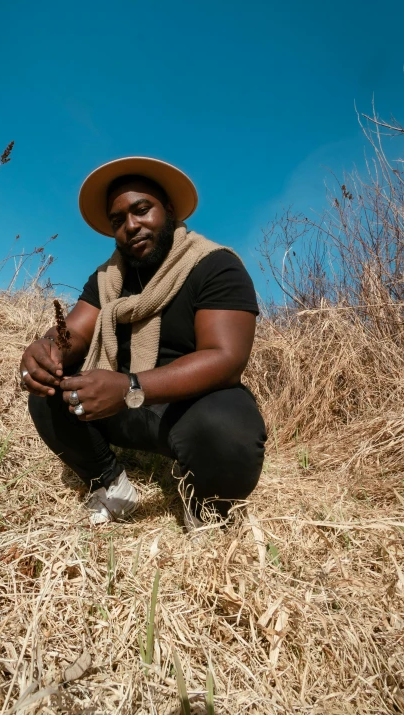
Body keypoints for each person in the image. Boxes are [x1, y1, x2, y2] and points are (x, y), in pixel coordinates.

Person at [21, 157, 267, 529]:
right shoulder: (108, 278)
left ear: (168, 210)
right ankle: (111, 484)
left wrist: (132, 388)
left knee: (230, 429)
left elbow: (226, 358)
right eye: (117, 220)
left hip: (186, 409)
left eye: (141, 210)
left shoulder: (215, 266)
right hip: (119, 402)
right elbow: (76, 331)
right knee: (48, 390)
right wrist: (46, 348)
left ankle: (204, 510)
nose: (130, 226)